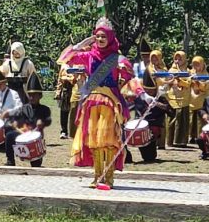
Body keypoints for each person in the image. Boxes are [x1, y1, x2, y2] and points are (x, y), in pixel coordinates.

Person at [58, 16, 148, 189]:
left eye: (103, 37)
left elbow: (131, 79)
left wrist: (143, 94)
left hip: (110, 102)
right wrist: (81, 44)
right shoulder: (88, 55)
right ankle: (97, 176)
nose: (100, 40)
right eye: (97, 36)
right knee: (93, 140)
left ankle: (109, 177)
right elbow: (64, 59)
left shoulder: (117, 59)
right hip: (91, 101)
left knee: (105, 139)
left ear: (110, 38)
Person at [3, 73, 52, 166]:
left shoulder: (45, 109)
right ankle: (10, 160)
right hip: (23, 133)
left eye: (34, 95)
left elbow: (48, 120)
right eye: (30, 95)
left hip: (36, 136)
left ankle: (36, 159)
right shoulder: (24, 108)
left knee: (36, 164)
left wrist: (43, 122)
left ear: (40, 96)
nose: (32, 97)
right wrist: (13, 123)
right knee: (9, 135)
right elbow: (16, 119)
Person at [130, 71, 170, 162]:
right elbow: (132, 108)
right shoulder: (140, 97)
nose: (149, 92)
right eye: (146, 90)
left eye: (151, 90)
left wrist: (157, 104)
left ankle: (150, 153)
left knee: (150, 155)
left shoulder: (160, 97)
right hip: (141, 124)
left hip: (154, 123)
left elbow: (170, 110)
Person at [166, 51, 192, 147]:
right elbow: (167, 82)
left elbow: (188, 83)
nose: (178, 61)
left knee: (182, 120)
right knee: (172, 120)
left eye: (180, 58)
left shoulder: (188, 71)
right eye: (176, 58)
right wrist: (172, 79)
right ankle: (170, 141)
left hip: (184, 98)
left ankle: (181, 141)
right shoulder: (171, 70)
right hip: (173, 98)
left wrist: (180, 80)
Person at [189, 56, 209, 143]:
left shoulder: (205, 74)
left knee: (200, 120)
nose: (195, 66)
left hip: (201, 98)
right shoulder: (191, 72)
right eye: (194, 64)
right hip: (191, 98)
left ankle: (200, 136)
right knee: (191, 120)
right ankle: (191, 136)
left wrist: (198, 81)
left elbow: (205, 87)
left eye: (197, 64)